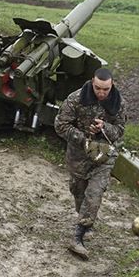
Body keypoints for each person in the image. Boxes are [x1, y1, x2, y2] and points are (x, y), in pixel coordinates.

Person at [54, 68, 126, 260]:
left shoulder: (118, 102)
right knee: (78, 190)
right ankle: (86, 220)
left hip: (104, 155)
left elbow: (119, 131)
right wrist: (84, 137)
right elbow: (60, 125)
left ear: (112, 86)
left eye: (106, 89)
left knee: (95, 192)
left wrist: (104, 128)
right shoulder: (75, 99)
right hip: (79, 154)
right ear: (91, 83)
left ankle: (78, 237)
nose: (102, 93)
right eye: (98, 88)